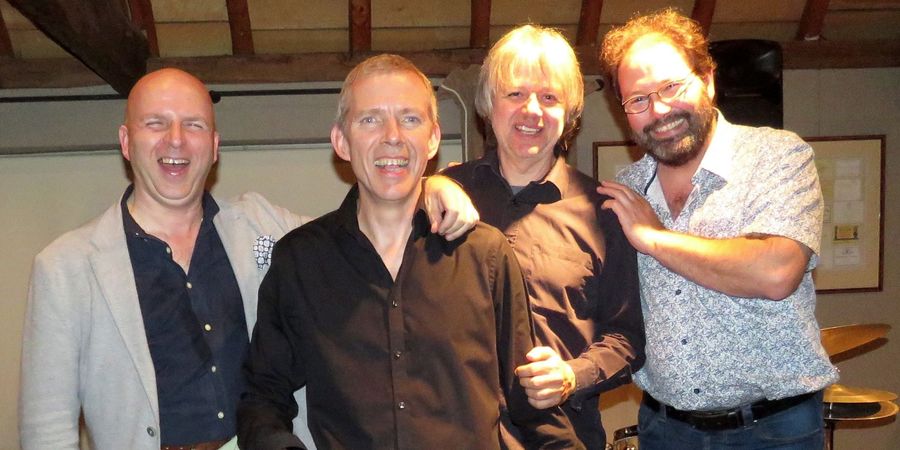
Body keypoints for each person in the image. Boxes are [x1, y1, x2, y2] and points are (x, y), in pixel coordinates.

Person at [18, 68, 478, 450]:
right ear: (125, 140)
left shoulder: (264, 226)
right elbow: (46, 430)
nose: (176, 141)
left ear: (215, 145)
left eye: (194, 125)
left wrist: (434, 185)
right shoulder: (66, 267)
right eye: (155, 124)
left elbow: (368, 227)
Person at [236, 54, 583, 450]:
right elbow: (263, 397)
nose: (393, 136)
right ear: (341, 141)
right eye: (370, 119)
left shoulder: (486, 255)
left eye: (410, 119)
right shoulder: (300, 260)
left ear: (433, 138)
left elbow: (531, 404)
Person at [597, 9, 839, 449]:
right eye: (638, 100)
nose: (660, 110)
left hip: (774, 431)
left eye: (672, 87)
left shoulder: (776, 156)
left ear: (707, 79)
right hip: (664, 430)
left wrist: (654, 239)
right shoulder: (626, 190)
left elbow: (777, 271)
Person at [442, 25, 645, 449]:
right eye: (515, 93)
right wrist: (427, 186)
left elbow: (627, 338)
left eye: (549, 97)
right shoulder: (443, 196)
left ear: (570, 113)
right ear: (488, 104)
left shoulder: (604, 213)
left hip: (563, 437)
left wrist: (572, 375)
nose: (531, 110)